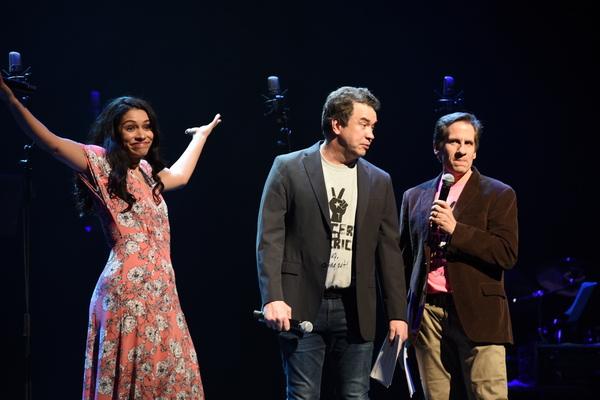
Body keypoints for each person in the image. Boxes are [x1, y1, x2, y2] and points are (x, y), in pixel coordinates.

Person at [1, 79, 220, 399]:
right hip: (128, 293)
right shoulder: (100, 162)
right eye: (131, 128)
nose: (141, 134)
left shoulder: (146, 172)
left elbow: (181, 176)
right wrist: (9, 99)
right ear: (115, 132)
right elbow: (51, 144)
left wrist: (201, 136)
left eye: (147, 127)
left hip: (163, 295)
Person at [256, 86, 408, 399]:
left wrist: (397, 313)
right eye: (363, 124)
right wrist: (273, 296)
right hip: (300, 303)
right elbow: (269, 238)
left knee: (355, 395)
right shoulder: (288, 167)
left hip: (355, 308)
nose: (371, 134)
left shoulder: (379, 180)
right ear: (337, 124)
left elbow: (389, 252)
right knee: (303, 395)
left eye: (373, 127)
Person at [399, 112, 518, 400]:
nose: (462, 149)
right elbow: (403, 259)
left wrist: (456, 230)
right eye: (454, 141)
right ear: (437, 147)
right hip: (427, 315)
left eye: (468, 143)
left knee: (487, 395)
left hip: (479, 313)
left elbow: (506, 253)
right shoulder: (414, 196)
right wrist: (402, 314)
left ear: (476, 151)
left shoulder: (498, 194)